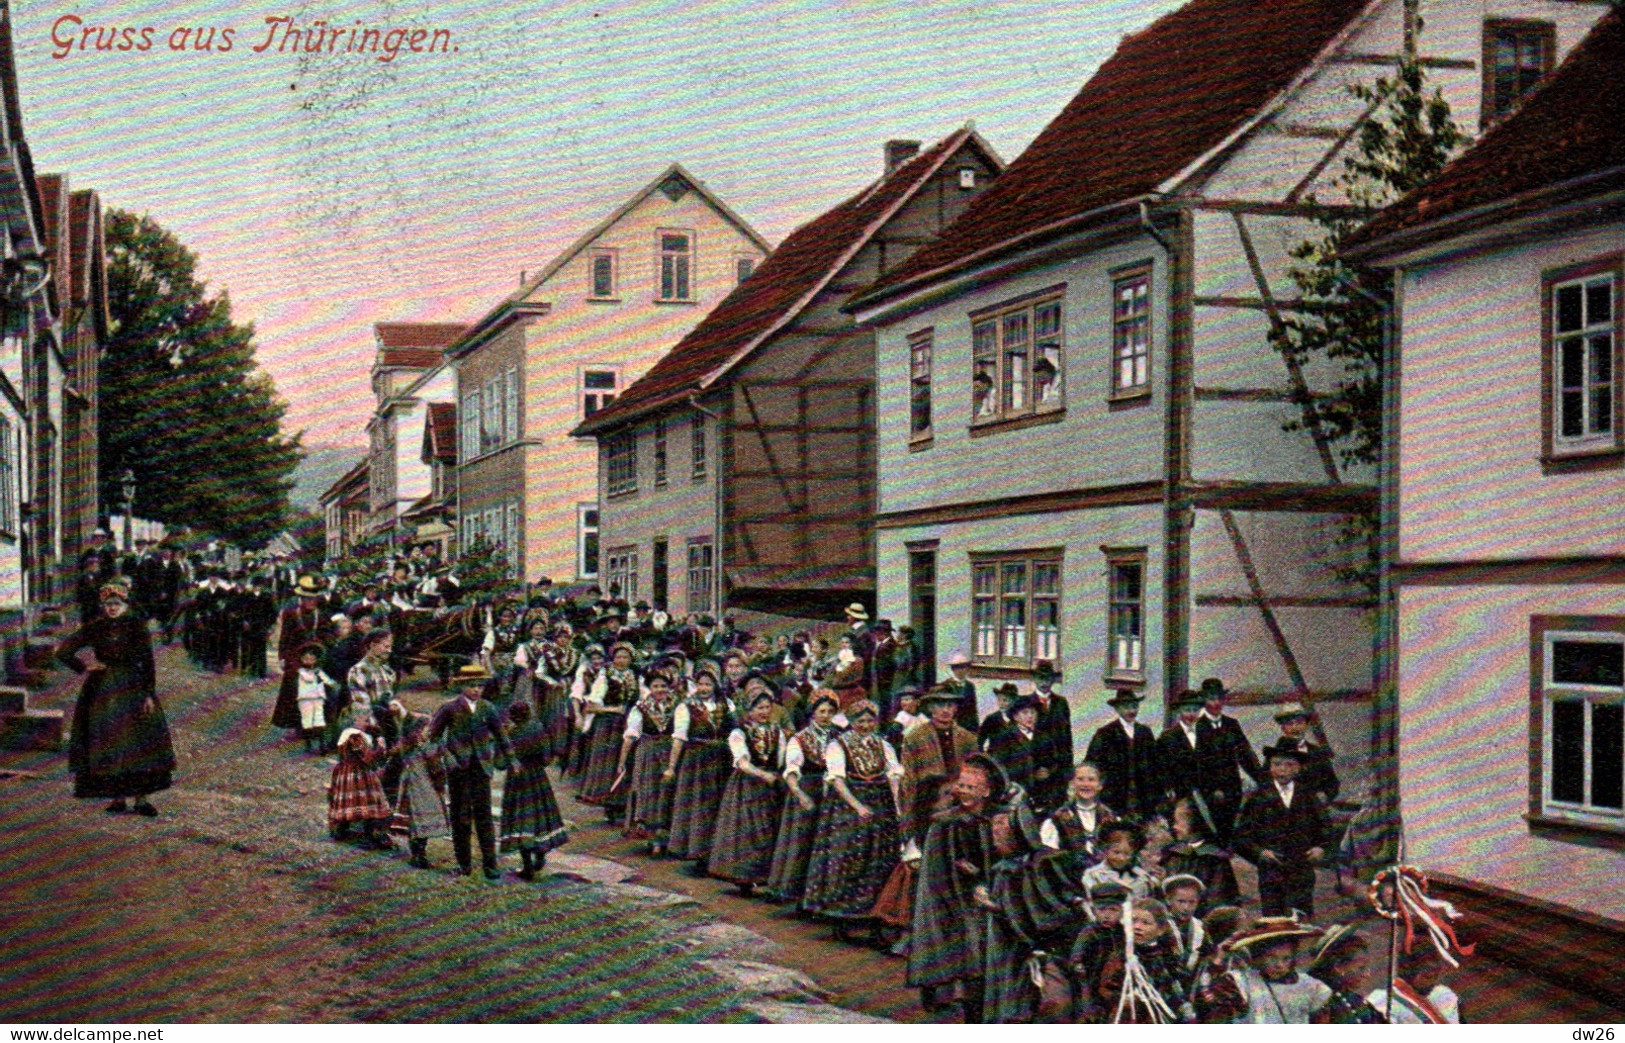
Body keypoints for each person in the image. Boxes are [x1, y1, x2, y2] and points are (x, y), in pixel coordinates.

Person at [56, 583, 175, 817]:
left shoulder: (136, 626)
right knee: (110, 741)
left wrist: (148, 693)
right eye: (108, 604)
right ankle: (118, 797)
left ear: (125, 604)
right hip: (103, 691)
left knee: (138, 743)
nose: (111, 608)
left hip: (133, 687)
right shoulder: (96, 627)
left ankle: (142, 799)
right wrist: (84, 666)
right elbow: (63, 651)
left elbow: (147, 661)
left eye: (116, 604)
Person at [908, 754, 1003, 1022]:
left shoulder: (994, 818)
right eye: (962, 786)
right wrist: (965, 880)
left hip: (987, 898)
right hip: (952, 901)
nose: (964, 792)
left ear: (986, 791)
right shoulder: (944, 823)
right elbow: (938, 870)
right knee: (961, 953)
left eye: (971, 788)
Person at [802, 701, 902, 927]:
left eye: (869, 721)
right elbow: (837, 780)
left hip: (879, 801)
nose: (865, 725)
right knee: (849, 854)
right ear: (851, 723)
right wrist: (857, 806)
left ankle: (875, 907)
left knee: (879, 855)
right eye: (860, 721)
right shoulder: (838, 745)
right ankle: (843, 909)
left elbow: (893, 775)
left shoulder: (883, 745)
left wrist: (897, 805)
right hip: (849, 804)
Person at [428, 664, 516, 880]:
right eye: (472, 685)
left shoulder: (488, 708)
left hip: (482, 768)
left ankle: (490, 864)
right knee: (461, 817)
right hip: (459, 769)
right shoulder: (449, 708)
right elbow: (433, 737)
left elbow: (502, 735)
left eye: (480, 686)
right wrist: (447, 757)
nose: (477, 689)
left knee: (484, 817)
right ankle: (464, 864)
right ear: (461, 686)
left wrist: (510, 759)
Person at [707, 690, 789, 895]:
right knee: (747, 830)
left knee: (768, 829)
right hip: (747, 787)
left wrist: (778, 775)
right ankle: (743, 877)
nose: (764, 711)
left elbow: (780, 759)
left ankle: (764, 876)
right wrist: (762, 774)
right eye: (759, 707)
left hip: (769, 788)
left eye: (767, 707)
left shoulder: (776, 731)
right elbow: (742, 762)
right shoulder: (739, 733)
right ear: (749, 710)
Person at [1233, 743, 1327, 917]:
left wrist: (1320, 847)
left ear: (1298, 768)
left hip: (1301, 869)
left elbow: (1325, 828)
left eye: (1289, 765)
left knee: (1302, 918)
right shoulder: (1258, 798)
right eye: (1277, 764)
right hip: (1272, 872)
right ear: (1269, 767)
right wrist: (1260, 852)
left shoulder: (1308, 796)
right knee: (1274, 920)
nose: (1282, 770)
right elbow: (1241, 837)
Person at [766, 691, 840, 905]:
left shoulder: (838, 736)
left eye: (830, 712)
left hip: (832, 792)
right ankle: (796, 894)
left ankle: (819, 895)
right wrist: (800, 794)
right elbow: (790, 772)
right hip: (806, 790)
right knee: (802, 843)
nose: (826, 716)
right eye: (821, 711)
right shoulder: (799, 739)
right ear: (812, 713)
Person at [666, 668, 735, 867]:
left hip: (720, 760)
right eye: (701, 684)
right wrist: (671, 767)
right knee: (697, 802)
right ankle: (695, 850)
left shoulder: (726, 704)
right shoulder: (686, 706)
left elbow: (733, 731)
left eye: (708, 684)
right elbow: (679, 738)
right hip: (696, 760)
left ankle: (713, 851)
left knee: (715, 803)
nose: (704, 688)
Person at [1202, 918, 1330, 1024]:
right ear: (1260, 956)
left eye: (1286, 958)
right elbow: (1210, 1001)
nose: (1279, 965)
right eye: (1272, 958)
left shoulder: (1311, 986)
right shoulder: (1243, 983)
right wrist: (1219, 960)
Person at [899, 685, 979, 845]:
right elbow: (909, 779)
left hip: (960, 799)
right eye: (940, 705)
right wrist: (907, 816)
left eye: (950, 705)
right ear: (930, 708)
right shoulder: (915, 738)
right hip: (927, 803)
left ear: (956, 708)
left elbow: (976, 773)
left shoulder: (968, 738)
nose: (945, 710)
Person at [500, 700, 569, 879]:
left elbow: (499, 763)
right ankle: (540, 857)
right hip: (538, 779)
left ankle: (527, 866)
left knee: (521, 819)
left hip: (517, 781)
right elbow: (547, 759)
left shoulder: (511, 734)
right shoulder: (538, 728)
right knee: (540, 817)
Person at [1194, 677, 1265, 844]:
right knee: (1213, 826)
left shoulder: (1232, 724)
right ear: (1204, 700)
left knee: (1230, 823)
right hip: (1210, 788)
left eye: (1220, 698)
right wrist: (1212, 788)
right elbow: (1198, 763)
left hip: (1232, 784)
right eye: (1212, 698)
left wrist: (1262, 779)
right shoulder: (1198, 727)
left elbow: (1245, 753)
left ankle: (1226, 849)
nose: (1217, 703)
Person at [618, 672, 683, 854]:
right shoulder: (640, 708)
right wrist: (622, 761)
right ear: (649, 688)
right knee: (649, 792)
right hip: (648, 754)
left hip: (670, 752)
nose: (660, 690)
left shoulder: (678, 706)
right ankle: (652, 837)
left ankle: (667, 838)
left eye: (663, 686)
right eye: (656, 686)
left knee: (668, 792)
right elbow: (631, 736)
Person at [577, 642, 640, 819]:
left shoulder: (634, 676)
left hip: (627, 722)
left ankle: (618, 802)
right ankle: (605, 801)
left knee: (622, 761)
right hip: (607, 724)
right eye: (618, 657)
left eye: (625, 657)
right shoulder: (605, 675)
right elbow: (591, 706)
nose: (622, 660)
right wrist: (612, 710)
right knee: (606, 761)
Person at [1083, 688, 1159, 820]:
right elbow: (1092, 764)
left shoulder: (1145, 732)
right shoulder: (1105, 733)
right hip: (1115, 794)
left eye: (1134, 706)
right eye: (1126, 707)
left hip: (1141, 795)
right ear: (1117, 709)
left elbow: (1155, 763)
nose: (1131, 711)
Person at [1159, 796, 1241, 912]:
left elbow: (1217, 899)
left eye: (1178, 822)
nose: (1174, 827)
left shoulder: (1214, 859)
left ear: (1195, 824)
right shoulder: (1173, 855)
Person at [394, 705, 450, 871]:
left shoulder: (408, 747)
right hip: (423, 785)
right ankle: (419, 854)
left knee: (414, 818)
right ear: (419, 731)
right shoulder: (425, 747)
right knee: (424, 816)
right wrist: (441, 781)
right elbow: (435, 767)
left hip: (410, 784)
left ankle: (416, 853)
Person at [272, 575, 328, 735]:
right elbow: (285, 636)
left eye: (313, 599)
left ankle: (314, 724)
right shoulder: (291, 614)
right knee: (295, 691)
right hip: (295, 658)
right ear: (301, 599)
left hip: (315, 659)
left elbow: (326, 636)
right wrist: (283, 657)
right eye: (307, 599)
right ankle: (297, 724)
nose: (310, 602)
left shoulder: (322, 616)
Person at [327, 718, 393, 849]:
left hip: (344, 772)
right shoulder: (355, 737)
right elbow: (367, 758)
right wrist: (380, 748)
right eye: (365, 719)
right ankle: (369, 838)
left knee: (347, 802)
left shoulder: (346, 735)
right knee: (367, 804)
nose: (368, 723)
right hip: (358, 774)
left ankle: (341, 831)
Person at [1307, 924, 1386, 1023]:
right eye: (1360, 968)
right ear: (1338, 966)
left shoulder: (1357, 1002)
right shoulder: (1321, 1002)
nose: (1367, 974)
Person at [1266, 703, 1339, 805]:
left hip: (1313, 810)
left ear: (1306, 725)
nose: (1295, 728)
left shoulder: (1317, 753)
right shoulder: (1274, 755)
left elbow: (1332, 783)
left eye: (1299, 722)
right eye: (1290, 724)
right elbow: (1265, 784)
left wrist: (1325, 795)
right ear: (1283, 728)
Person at [1367, 946, 1462, 1024]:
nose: (1432, 982)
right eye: (1427, 975)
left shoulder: (1445, 995)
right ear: (1408, 967)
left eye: (1437, 973)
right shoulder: (1382, 998)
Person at [1040, 760, 1115, 858]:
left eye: (1091, 780)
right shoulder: (1057, 820)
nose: (1086, 784)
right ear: (1072, 784)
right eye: (1080, 779)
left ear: (1100, 785)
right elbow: (1048, 858)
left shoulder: (1111, 818)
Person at [1027, 660, 1073, 814]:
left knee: (1058, 810)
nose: (1044, 683)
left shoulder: (1061, 703)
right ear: (1034, 679)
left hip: (1058, 769)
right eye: (1040, 678)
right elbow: (1022, 741)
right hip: (1037, 769)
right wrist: (1034, 769)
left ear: (1053, 680)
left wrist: (1067, 769)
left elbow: (1067, 737)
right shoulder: (1026, 703)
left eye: (1047, 679)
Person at [1079, 821, 1156, 902]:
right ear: (1105, 849)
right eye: (1116, 852)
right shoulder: (1093, 875)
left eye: (1127, 854)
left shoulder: (1142, 876)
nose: (1121, 858)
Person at [985, 694, 1041, 796]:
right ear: (1015, 716)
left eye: (1032, 712)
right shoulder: (1004, 736)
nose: (1030, 716)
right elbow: (997, 767)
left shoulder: (1042, 736)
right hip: (1014, 792)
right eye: (1025, 712)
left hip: (1039, 792)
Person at [293, 642, 337, 754]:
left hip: (318, 698)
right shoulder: (301, 671)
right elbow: (308, 678)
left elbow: (327, 680)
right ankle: (308, 744)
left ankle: (322, 745)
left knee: (319, 720)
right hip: (305, 699)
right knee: (307, 721)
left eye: (312, 659)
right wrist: (317, 675)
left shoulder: (318, 671)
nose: (309, 661)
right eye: (306, 659)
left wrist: (332, 683)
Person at [943, 651, 978, 732]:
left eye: (964, 667)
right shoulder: (947, 685)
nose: (962, 670)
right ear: (953, 669)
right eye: (958, 667)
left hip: (968, 726)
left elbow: (973, 709)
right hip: (952, 725)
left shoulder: (970, 686)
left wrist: (975, 728)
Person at [978, 682, 1017, 750]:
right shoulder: (991, 719)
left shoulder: (1018, 718)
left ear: (1013, 701)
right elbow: (980, 740)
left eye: (1005, 700)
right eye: (999, 700)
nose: (1001, 703)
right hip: (994, 757)